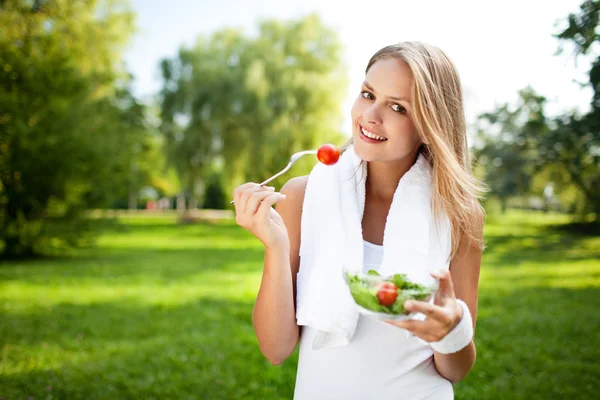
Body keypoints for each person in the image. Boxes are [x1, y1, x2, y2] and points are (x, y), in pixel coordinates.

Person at [233, 41, 485, 399]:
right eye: (368, 94)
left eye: (398, 107)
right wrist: (276, 247)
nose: (371, 116)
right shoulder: (303, 195)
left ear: (431, 125)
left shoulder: (460, 215)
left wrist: (451, 331)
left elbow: (456, 370)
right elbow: (275, 349)